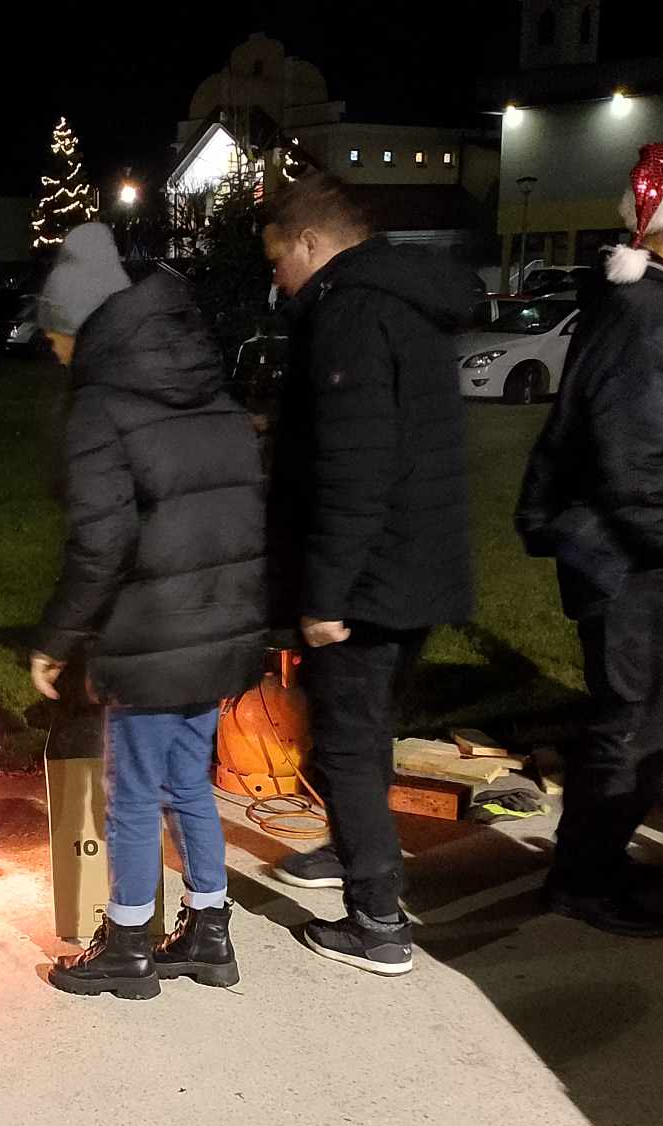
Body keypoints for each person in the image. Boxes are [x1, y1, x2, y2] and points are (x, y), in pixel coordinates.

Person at [516, 141, 663, 937]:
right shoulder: (649, 317)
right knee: (632, 727)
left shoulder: (653, 303)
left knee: (636, 723)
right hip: (633, 562)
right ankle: (582, 881)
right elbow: (639, 459)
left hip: (630, 555)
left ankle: (599, 862)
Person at [29, 222, 268, 1001]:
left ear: (84, 326)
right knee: (188, 783)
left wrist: (58, 638)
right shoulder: (214, 392)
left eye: (58, 336)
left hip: (157, 633)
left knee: (130, 794)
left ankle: (128, 944)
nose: (55, 353)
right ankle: (209, 932)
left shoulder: (103, 407)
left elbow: (101, 542)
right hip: (222, 622)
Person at [262, 173, 473, 977]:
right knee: (367, 728)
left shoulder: (348, 313)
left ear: (313, 245)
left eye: (280, 259)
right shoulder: (402, 300)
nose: (277, 277)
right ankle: (354, 847)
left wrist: (325, 593)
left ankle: (377, 920)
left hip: (370, 574)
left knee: (346, 741)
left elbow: (356, 463)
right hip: (413, 563)